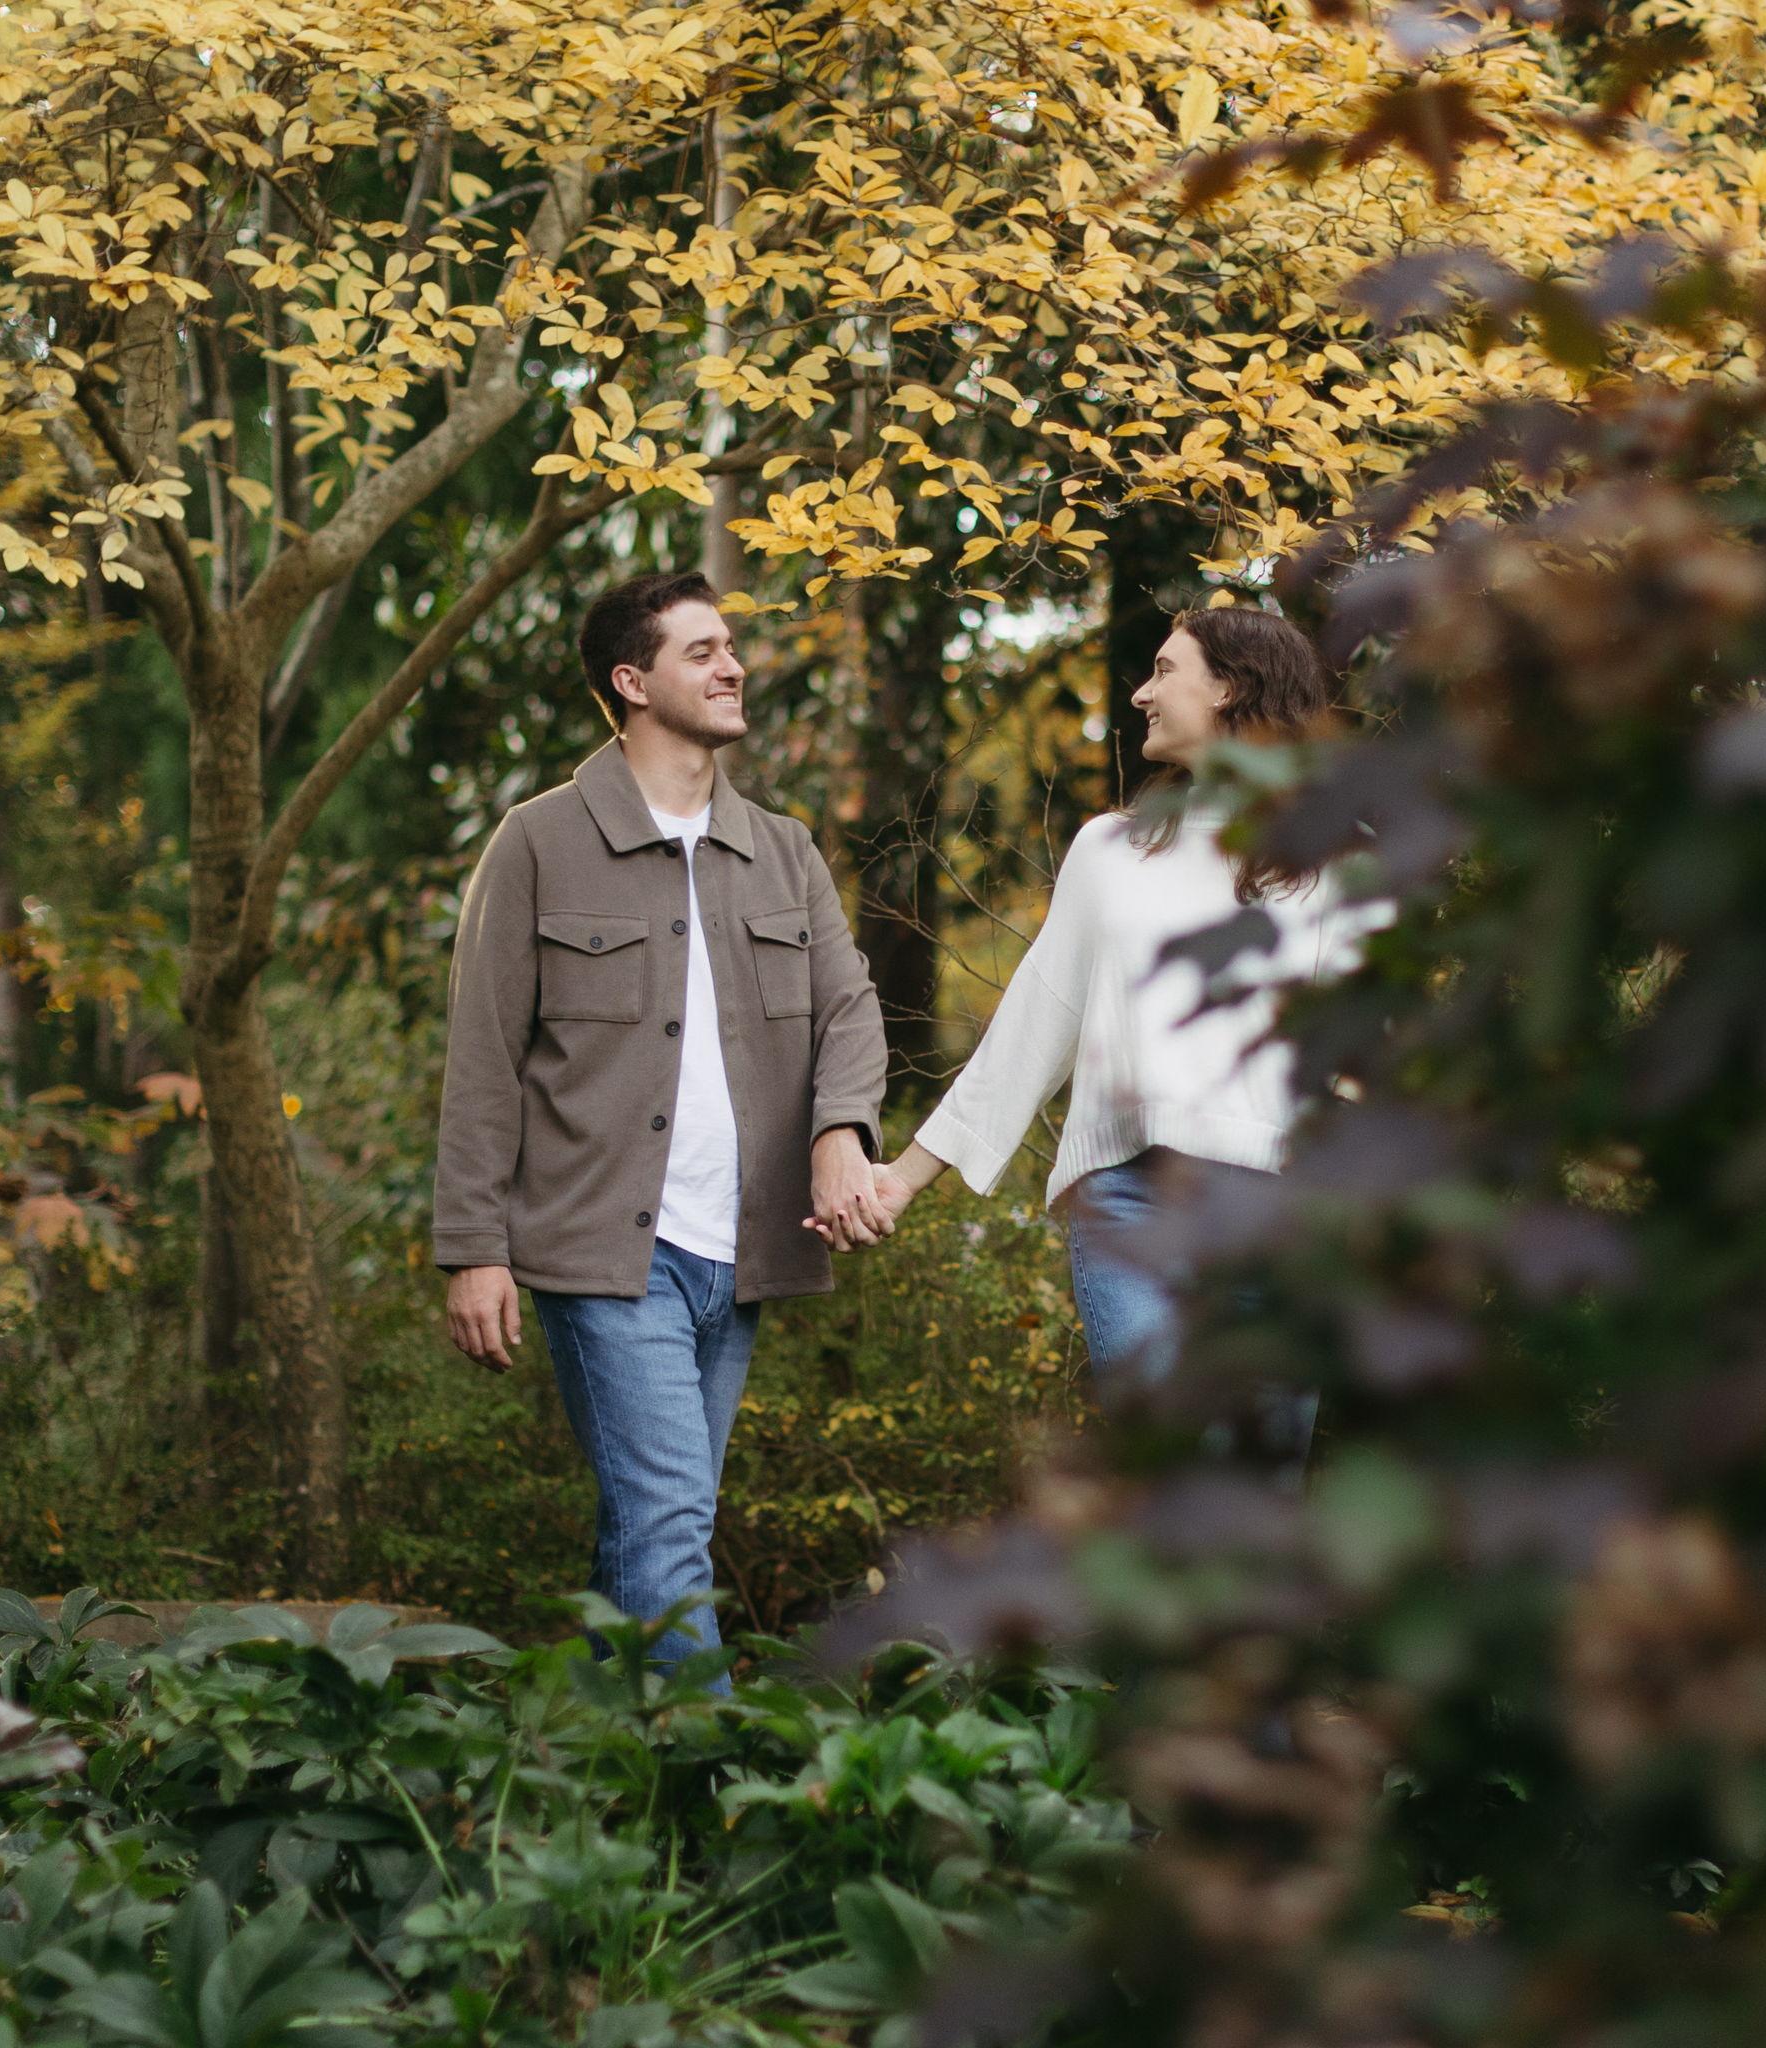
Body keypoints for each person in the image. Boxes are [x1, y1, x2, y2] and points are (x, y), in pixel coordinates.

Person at [434, 569, 890, 1689]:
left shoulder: (781, 850)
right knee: (671, 1513)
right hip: (599, 1250)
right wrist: (472, 1247)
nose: (732, 665)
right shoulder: (537, 842)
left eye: (730, 645)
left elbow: (850, 1008)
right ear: (631, 682)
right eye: (701, 650)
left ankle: (599, 1787)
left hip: (738, 1251)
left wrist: (842, 1129)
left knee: (648, 1520)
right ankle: (715, 1788)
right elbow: (484, 1055)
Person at [853, 605, 1391, 1441]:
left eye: (1165, 672)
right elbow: (1039, 1019)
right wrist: (903, 1179)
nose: (1142, 693)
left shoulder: (1337, 857)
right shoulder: (1111, 848)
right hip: (1130, 1205)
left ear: (1231, 689)